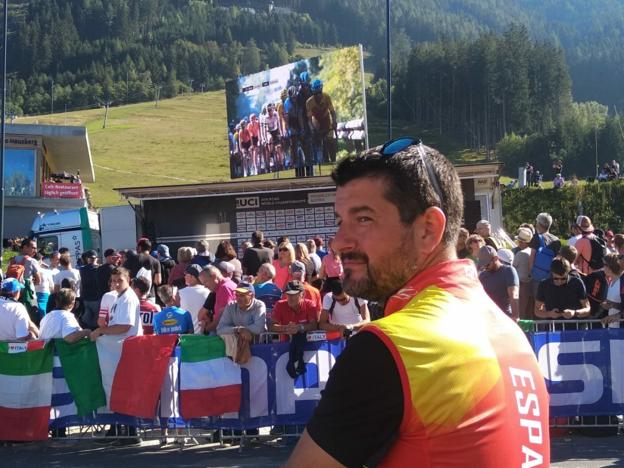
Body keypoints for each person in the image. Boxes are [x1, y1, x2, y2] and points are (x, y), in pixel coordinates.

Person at [286, 138, 550, 466]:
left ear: (428, 230)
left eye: (364, 219)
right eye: (341, 221)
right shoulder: (513, 338)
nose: (339, 242)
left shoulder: (391, 348)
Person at [534, 258, 590, 322]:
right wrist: (549, 314)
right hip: (553, 328)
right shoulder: (544, 284)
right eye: (556, 278)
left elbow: (587, 309)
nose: (559, 281)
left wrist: (575, 313)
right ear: (552, 273)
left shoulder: (577, 283)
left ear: (568, 273)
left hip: (575, 327)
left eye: (563, 279)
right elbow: (537, 310)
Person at [477, 246, 520, 320]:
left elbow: (514, 295)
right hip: (487, 319)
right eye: (483, 265)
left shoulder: (509, 271)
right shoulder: (482, 275)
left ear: (496, 258)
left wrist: (515, 316)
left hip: (505, 318)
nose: (485, 267)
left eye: (487, 264)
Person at [198, 265, 237, 334]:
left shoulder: (224, 288)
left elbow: (222, 319)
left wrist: (206, 329)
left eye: (205, 282)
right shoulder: (222, 287)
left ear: (214, 276)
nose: (205, 286)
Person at [529, 212, 561, 296]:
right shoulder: (556, 240)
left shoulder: (536, 238)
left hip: (537, 277)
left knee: (538, 303)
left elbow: (532, 257)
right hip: (550, 276)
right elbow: (557, 259)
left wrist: (531, 273)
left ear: (539, 224)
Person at [177, 264, 210, 334]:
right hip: (203, 335)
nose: (184, 277)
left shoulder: (179, 293)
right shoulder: (208, 291)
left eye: (187, 275)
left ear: (194, 277)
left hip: (185, 336)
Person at [513, 227, 533, 319]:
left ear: (523, 242)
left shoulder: (520, 254)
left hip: (522, 286)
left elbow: (513, 267)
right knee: (530, 312)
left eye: (519, 241)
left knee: (521, 312)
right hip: (531, 284)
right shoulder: (532, 252)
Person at [601, 254, 624, 328]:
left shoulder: (622, 282)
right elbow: (619, 304)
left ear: (610, 266)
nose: (602, 267)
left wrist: (618, 315)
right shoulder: (611, 281)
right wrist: (610, 305)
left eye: (604, 264)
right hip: (613, 328)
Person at [80, 250, 100, 329]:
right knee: (96, 318)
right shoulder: (99, 268)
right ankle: (93, 331)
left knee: (87, 316)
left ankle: (87, 330)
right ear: (96, 258)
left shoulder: (82, 269)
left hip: (86, 298)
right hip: (95, 298)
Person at [34, 253, 55, 320]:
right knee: (44, 311)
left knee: (34, 310)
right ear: (40, 260)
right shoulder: (46, 271)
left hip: (33, 294)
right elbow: (52, 286)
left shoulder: (30, 271)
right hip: (44, 294)